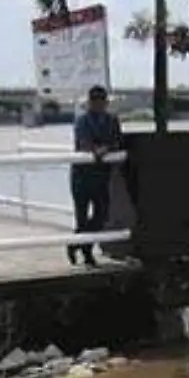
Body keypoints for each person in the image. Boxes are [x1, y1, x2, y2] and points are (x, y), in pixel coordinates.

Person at [69, 85, 121, 267]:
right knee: (81, 216)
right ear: (90, 102)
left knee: (102, 214)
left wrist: (106, 148)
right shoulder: (82, 121)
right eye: (95, 101)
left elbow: (117, 141)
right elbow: (84, 143)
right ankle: (87, 254)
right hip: (81, 176)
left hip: (101, 176)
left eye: (102, 101)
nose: (99, 104)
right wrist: (97, 149)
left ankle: (76, 240)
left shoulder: (112, 120)